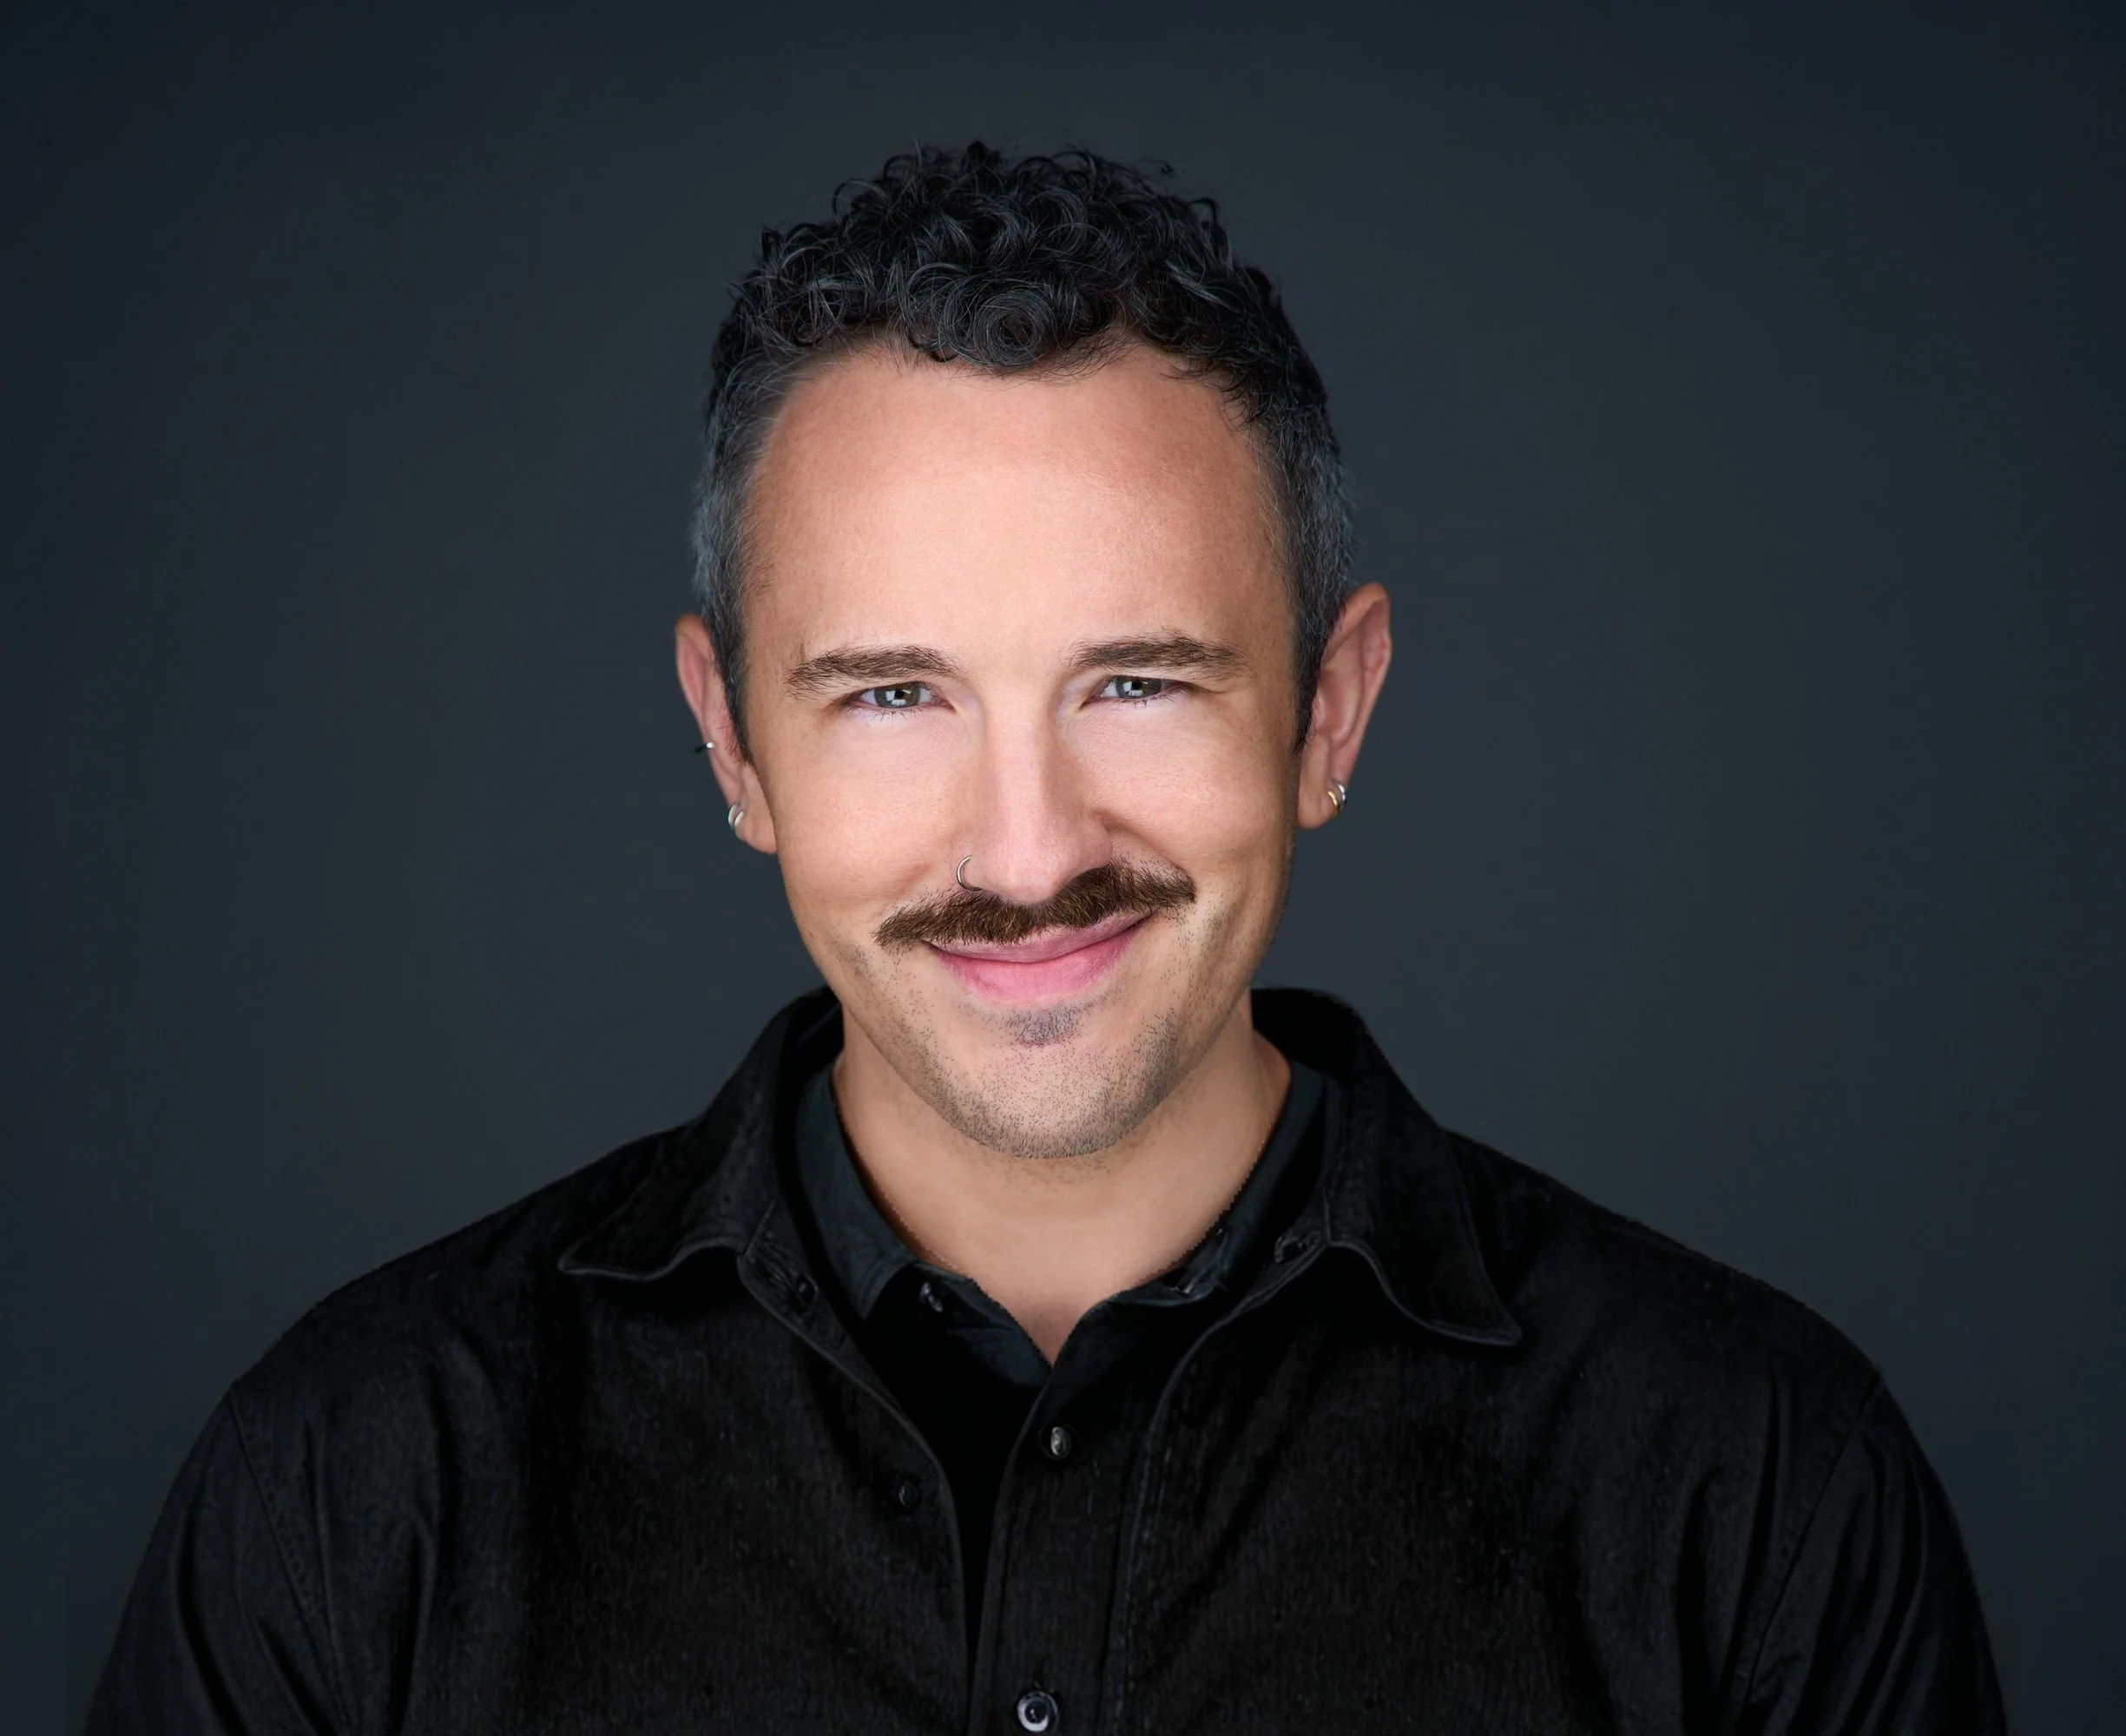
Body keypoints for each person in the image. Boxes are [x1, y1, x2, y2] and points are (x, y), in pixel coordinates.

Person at [90, 142, 2004, 1734]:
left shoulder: (1747, 1486)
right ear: (730, 742)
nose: (1027, 846)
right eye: (893, 697)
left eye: (1138, 683)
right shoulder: (363, 1487)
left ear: (1325, 713)